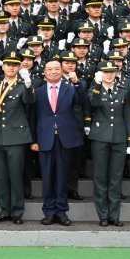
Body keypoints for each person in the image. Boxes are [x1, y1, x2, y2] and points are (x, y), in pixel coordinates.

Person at [31, 59, 84, 226]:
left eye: (56, 69)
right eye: (49, 69)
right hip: (45, 138)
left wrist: (77, 84)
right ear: (44, 72)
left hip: (65, 139)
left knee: (62, 177)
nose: (53, 72)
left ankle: (61, 211)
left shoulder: (70, 89)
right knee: (47, 178)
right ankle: (48, 211)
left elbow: (82, 101)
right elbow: (33, 117)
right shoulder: (37, 91)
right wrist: (33, 140)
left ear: (62, 71)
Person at [0, 51, 35, 225]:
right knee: (1, 176)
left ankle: (17, 211)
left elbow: (29, 100)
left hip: (16, 136)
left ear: (19, 68)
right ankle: (4, 210)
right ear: (3, 66)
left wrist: (29, 84)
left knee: (15, 176)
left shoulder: (23, 86)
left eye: (15, 65)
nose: (11, 67)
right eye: (8, 64)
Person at [88, 61, 130, 227]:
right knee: (100, 177)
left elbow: (127, 116)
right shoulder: (95, 89)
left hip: (119, 138)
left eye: (112, 72)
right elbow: (94, 103)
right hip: (100, 138)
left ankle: (114, 215)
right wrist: (98, 84)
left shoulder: (123, 90)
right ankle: (103, 215)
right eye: (105, 72)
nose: (109, 74)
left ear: (116, 73)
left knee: (115, 178)